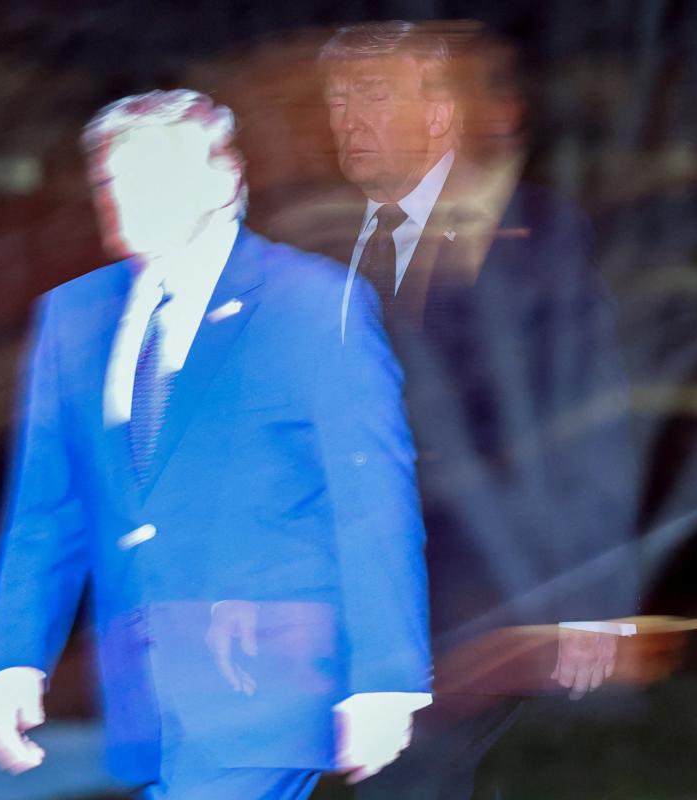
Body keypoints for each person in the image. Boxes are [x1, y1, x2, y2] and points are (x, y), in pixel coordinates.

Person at [0, 90, 431, 800]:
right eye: (112, 178)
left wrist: (386, 679)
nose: (123, 196)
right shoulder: (73, 316)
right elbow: (46, 510)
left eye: (152, 173)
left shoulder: (309, 303)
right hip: (140, 694)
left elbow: (370, 495)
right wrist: (13, 662)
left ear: (224, 179)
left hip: (266, 680)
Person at [270, 21, 640, 798]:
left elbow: (586, 426)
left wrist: (591, 602)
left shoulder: (535, 237)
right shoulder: (313, 249)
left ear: (439, 115)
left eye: (373, 99)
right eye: (337, 102)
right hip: (345, 618)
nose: (348, 123)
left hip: (484, 611)